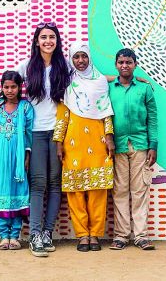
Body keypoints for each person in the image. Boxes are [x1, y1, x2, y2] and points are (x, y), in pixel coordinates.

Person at [15, 22, 71, 257]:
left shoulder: (65, 64)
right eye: (43, 37)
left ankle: (47, 232)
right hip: (36, 131)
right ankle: (34, 234)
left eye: (52, 37)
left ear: (57, 41)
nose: (48, 41)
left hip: (59, 131)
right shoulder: (26, 66)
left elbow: (91, 78)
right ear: (36, 41)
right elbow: (8, 90)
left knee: (56, 183)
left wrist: (121, 77)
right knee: (38, 183)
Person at [53, 43, 115, 252]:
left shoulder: (100, 82)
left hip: (97, 143)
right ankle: (82, 236)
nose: (80, 61)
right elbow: (62, 114)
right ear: (71, 59)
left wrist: (109, 137)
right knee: (76, 192)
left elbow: (106, 110)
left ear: (89, 58)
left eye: (84, 56)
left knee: (98, 190)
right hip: (73, 143)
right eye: (76, 57)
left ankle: (95, 235)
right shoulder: (68, 83)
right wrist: (59, 142)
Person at [108, 48, 157, 251]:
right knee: (120, 190)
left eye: (129, 62)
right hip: (117, 145)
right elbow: (106, 116)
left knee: (139, 190)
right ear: (116, 65)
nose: (125, 66)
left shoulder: (144, 89)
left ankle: (141, 235)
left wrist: (153, 145)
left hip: (140, 144)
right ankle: (121, 235)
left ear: (135, 64)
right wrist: (108, 139)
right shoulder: (110, 88)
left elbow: (152, 118)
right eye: (121, 62)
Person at [0, 70, 34, 250]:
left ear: (19, 88)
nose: (9, 90)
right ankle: (3, 235)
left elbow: (28, 134)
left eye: (13, 87)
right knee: (2, 190)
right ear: (2, 88)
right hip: (0, 155)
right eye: (6, 87)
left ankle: (15, 236)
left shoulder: (26, 107)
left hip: (18, 156)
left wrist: (26, 156)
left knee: (17, 190)